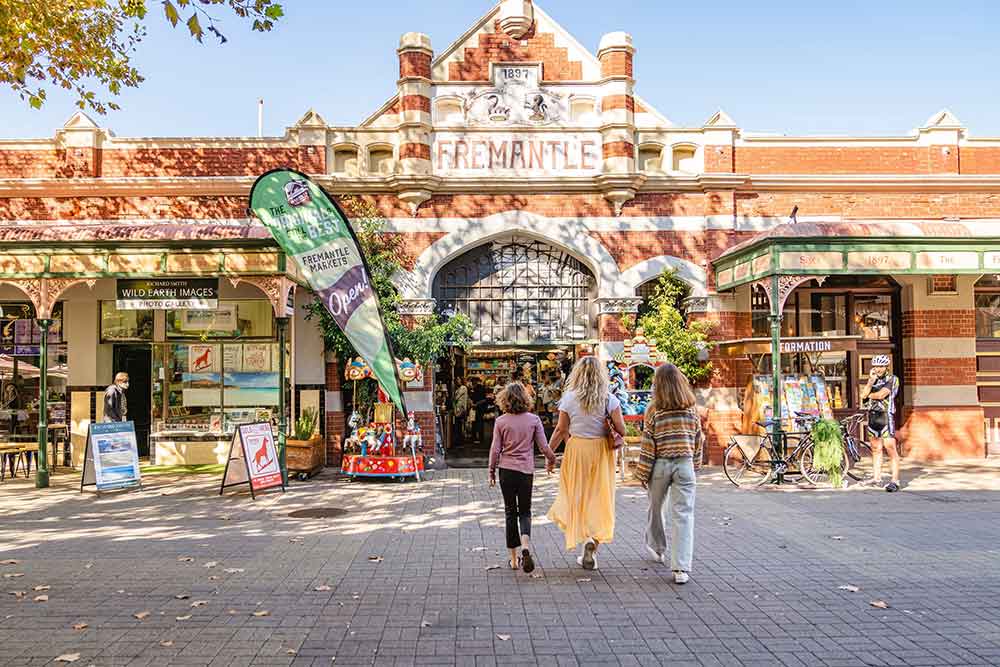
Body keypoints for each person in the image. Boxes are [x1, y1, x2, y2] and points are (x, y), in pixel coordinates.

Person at [546, 356, 626, 570]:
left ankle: (583, 535)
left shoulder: (569, 398)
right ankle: (592, 542)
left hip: (577, 449)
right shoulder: (610, 399)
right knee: (600, 497)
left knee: (576, 495)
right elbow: (622, 430)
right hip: (601, 451)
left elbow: (561, 430)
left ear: (578, 374)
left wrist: (549, 454)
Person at [634, 364, 703, 584]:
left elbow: (648, 445)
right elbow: (698, 439)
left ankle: (657, 547)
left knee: (655, 507)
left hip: (661, 465)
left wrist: (642, 473)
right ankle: (681, 568)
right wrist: (696, 465)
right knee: (683, 515)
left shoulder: (654, 409)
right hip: (685, 464)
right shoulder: (691, 408)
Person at [488, 382, 557, 573]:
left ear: (505, 400)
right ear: (526, 399)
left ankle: (513, 559)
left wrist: (491, 471)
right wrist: (552, 460)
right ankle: (525, 546)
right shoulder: (534, 420)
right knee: (525, 511)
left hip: (506, 471)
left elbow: (495, 449)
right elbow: (544, 447)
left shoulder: (501, 421)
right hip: (526, 471)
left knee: (510, 512)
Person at [860, 355, 901, 492]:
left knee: (890, 448)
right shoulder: (873, 379)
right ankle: (876, 478)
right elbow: (862, 395)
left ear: (886, 367)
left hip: (885, 416)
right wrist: (870, 382)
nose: (878, 369)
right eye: (876, 366)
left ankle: (895, 481)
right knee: (876, 448)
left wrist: (869, 395)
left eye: (881, 366)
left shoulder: (892, 379)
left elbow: (881, 395)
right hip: (872, 416)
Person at [469, 376, 488, 444]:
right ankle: (474, 438)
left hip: (480, 408)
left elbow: (485, 399)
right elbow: (470, 397)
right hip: (474, 408)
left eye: (474, 381)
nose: (473, 382)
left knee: (480, 423)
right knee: (473, 423)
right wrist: (471, 403)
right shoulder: (472, 388)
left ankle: (480, 438)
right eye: (472, 381)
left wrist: (477, 404)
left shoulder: (481, 388)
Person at [452, 377, 470, 446]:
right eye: (456, 380)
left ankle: (460, 441)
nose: (457, 381)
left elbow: (456, 398)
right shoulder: (458, 389)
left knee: (460, 425)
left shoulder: (463, 388)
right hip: (458, 409)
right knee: (458, 425)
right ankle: (459, 440)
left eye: (458, 380)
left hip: (461, 409)